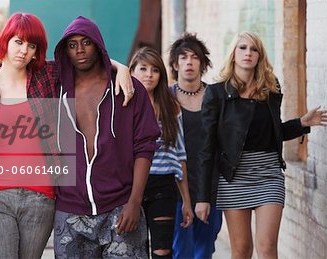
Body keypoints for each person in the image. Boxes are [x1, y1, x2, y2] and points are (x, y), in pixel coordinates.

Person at [0, 13, 134, 258]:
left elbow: (86, 63)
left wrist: (121, 68)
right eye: (18, 42)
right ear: (5, 42)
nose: (24, 51)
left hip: (40, 197)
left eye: (32, 46)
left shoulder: (46, 76)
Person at [195, 31, 327, 259]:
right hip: (234, 178)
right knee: (241, 250)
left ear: (260, 55)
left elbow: (273, 133)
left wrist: (302, 123)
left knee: (267, 248)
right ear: (233, 54)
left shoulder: (270, 90)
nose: (248, 53)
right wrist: (202, 197)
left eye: (254, 49)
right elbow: (206, 148)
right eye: (243, 48)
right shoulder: (216, 93)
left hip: (268, 175)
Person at [53, 16, 160, 258]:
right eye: (72, 45)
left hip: (120, 206)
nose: (80, 50)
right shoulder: (55, 89)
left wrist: (134, 202)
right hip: (70, 210)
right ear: (64, 51)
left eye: (86, 43)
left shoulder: (129, 89)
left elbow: (145, 147)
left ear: (98, 45)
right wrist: (119, 64)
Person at [129, 47, 193, 258]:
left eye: (155, 70)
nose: (149, 74)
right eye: (143, 68)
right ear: (131, 72)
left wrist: (186, 200)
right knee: (134, 251)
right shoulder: (124, 105)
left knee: (162, 251)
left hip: (163, 186)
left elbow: (180, 154)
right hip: (130, 186)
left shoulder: (171, 106)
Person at [169, 33, 222, 259]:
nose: (189, 62)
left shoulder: (216, 96)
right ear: (175, 64)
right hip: (176, 185)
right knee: (181, 249)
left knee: (205, 249)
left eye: (194, 57)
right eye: (183, 57)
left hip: (210, 185)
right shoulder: (166, 97)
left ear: (203, 63)